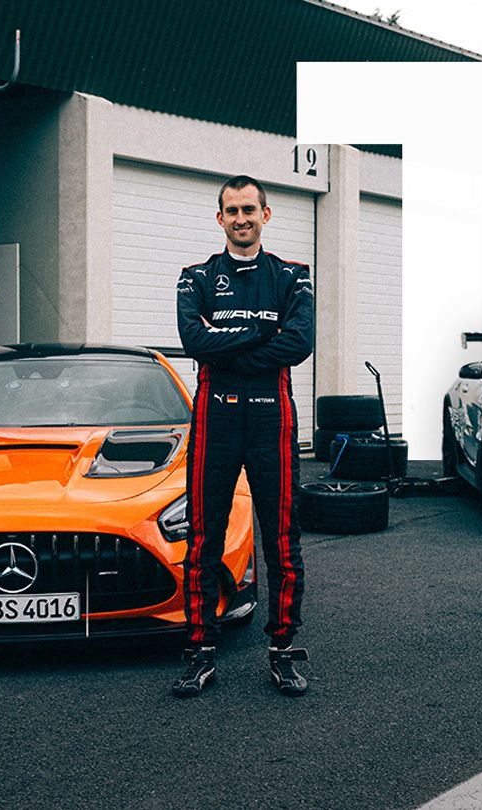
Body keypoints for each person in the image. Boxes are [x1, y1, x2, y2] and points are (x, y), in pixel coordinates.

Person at [171, 175, 315, 697]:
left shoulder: (293, 277)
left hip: (272, 417)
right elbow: (194, 341)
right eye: (231, 211)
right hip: (216, 417)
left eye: (249, 209)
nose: (241, 219)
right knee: (204, 537)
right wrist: (261, 332)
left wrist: (226, 345)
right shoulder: (195, 278)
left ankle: (282, 650)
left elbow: (298, 344)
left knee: (281, 540)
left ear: (266, 214)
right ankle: (200, 651)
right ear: (220, 219)